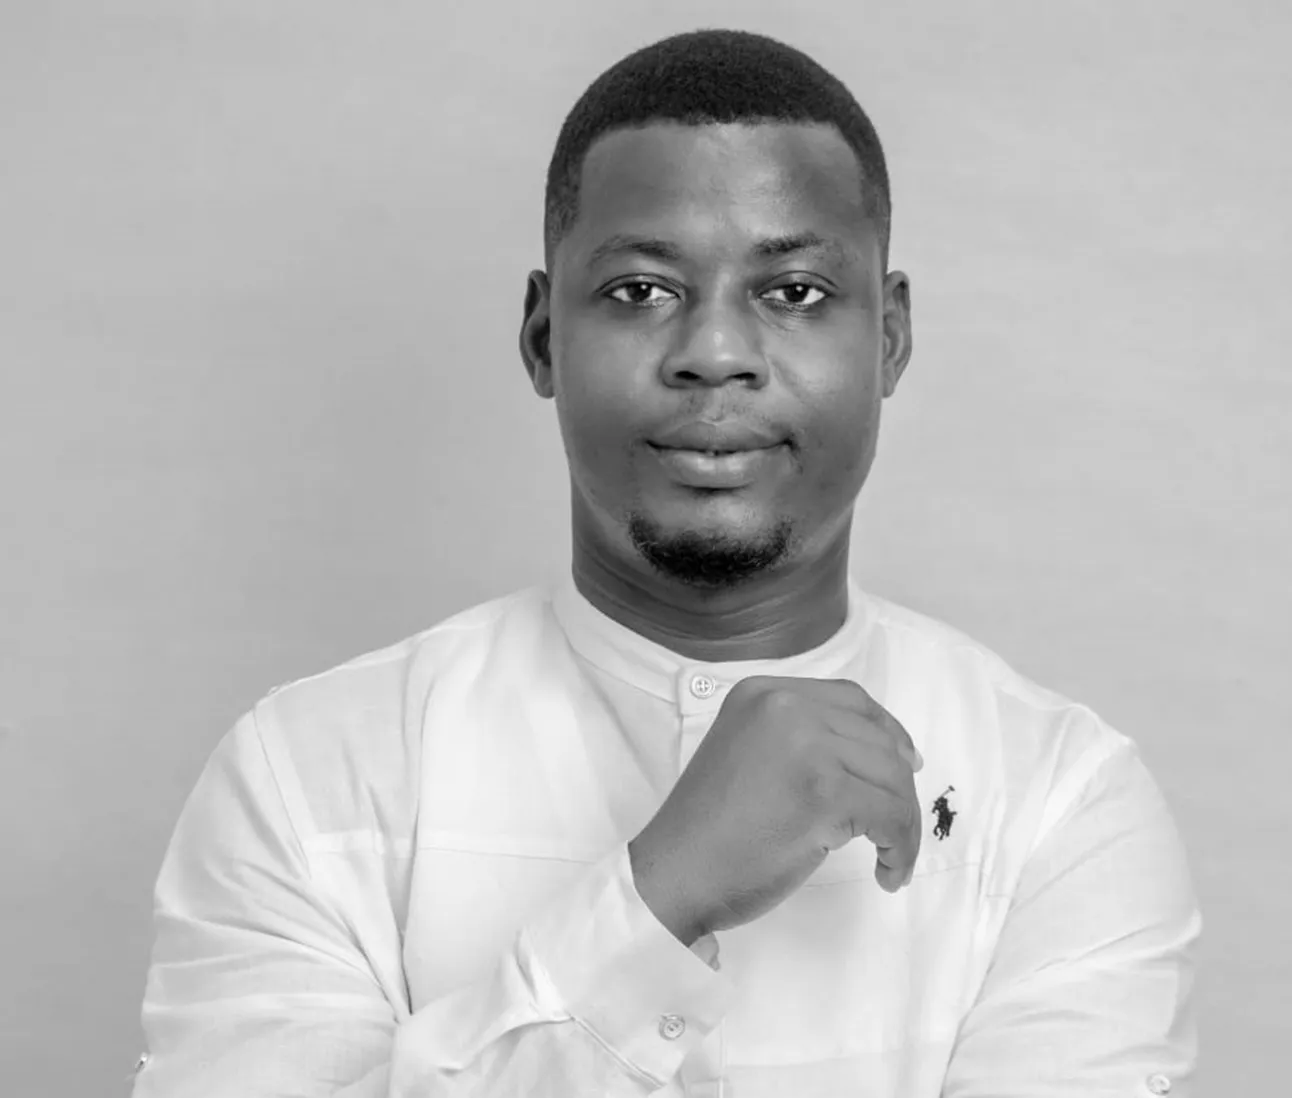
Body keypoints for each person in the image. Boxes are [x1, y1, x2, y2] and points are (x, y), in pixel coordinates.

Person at [131, 28, 1201, 1098]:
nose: (715, 354)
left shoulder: (1059, 803)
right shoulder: (308, 779)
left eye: (794, 292)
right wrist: (657, 899)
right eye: (641, 290)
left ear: (889, 338)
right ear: (543, 338)